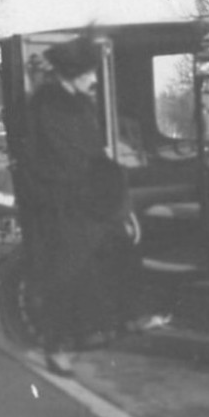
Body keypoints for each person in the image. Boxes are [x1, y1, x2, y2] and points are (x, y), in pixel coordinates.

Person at [24, 36, 141, 375]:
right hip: (62, 207)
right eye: (89, 73)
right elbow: (75, 164)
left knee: (103, 261)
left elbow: (94, 160)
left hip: (82, 202)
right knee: (66, 276)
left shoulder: (76, 104)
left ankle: (102, 327)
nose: (94, 80)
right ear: (72, 73)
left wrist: (120, 204)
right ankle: (58, 347)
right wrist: (115, 202)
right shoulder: (50, 107)